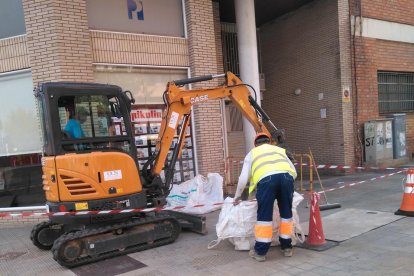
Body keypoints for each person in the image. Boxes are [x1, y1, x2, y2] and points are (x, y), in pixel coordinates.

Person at [234, 132, 297, 262]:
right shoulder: (280, 150)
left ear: (255, 144)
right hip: (287, 178)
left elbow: (243, 178)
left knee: (264, 217)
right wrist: (287, 185)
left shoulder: (252, 153)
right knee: (286, 215)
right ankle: (287, 248)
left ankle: (260, 252)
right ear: (269, 142)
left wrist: (237, 196)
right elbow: (294, 171)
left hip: (267, 181)